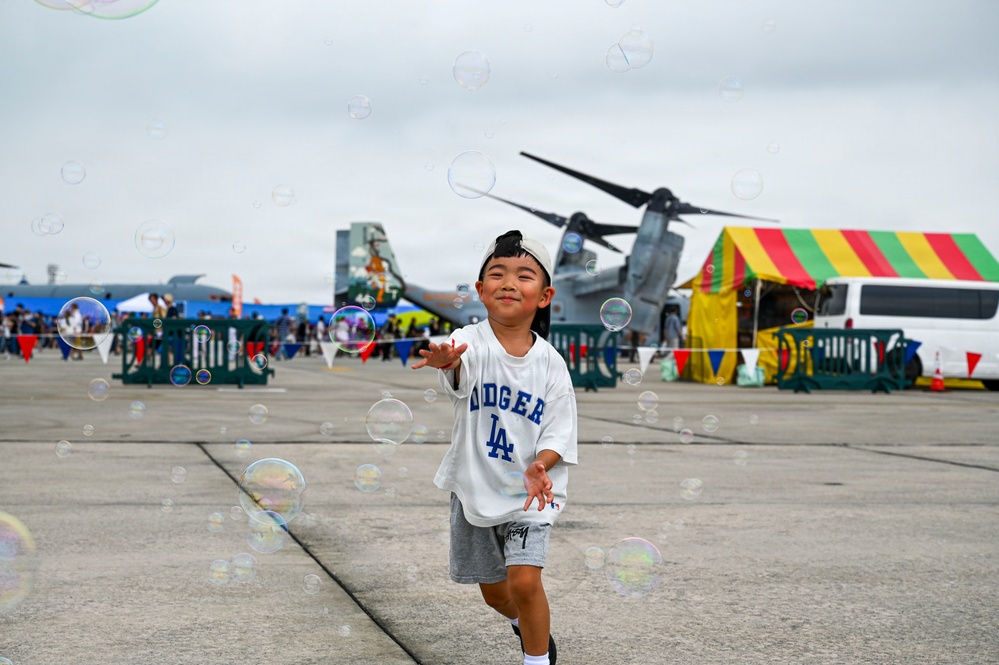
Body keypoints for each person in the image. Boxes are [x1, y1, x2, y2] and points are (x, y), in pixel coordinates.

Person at [412, 230, 577, 665]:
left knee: (524, 583)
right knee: (496, 594)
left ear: (544, 296)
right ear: (481, 291)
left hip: (531, 493)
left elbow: (559, 430)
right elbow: (459, 367)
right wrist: (449, 361)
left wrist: (542, 464)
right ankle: (527, 625)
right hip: (475, 487)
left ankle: (537, 659)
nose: (508, 282)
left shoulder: (550, 363)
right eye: (497, 274)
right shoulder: (472, 341)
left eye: (524, 275)